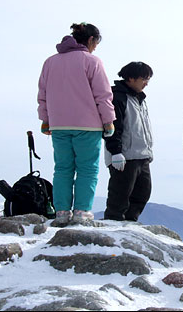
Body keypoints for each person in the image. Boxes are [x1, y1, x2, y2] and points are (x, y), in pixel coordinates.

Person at [37, 22, 116, 223]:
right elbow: (103, 95)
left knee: (62, 168)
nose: (95, 47)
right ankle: (81, 212)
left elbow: (43, 95)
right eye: (95, 43)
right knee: (87, 168)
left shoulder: (50, 62)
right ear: (90, 40)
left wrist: (45, 119)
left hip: (58, 125)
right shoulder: (92, 61)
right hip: (87, 125)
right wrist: (108, 120)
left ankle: (62, 212)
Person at [103, 61, 154, 221]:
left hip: (142, 155)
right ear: (131, 78)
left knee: (143, 193)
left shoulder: (140, 99)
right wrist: (116, 152)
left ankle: (130, 223)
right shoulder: (117, 97)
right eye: (144, 79)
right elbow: (112, 128)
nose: (146, 83)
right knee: (120, 195)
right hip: (124, 156)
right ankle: (113, 225)